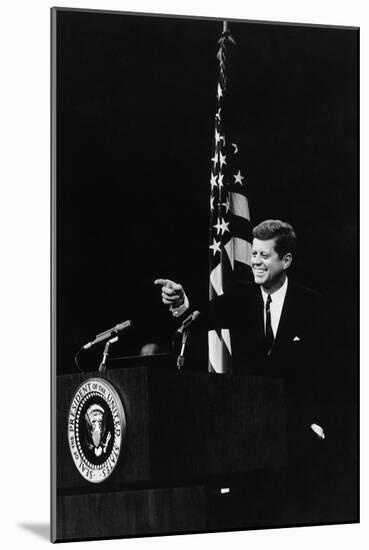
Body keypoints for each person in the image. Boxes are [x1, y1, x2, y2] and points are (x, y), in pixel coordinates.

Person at [155, 219, 327, 524]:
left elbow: (331, 372)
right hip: (253, 444)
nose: (256, 262)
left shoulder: (312, 305)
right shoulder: (241, 298)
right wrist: (181, 305)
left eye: (264, 255)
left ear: (286, 260)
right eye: (254, 254)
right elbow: (202, 318)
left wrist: (318, 424)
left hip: (301, 442)